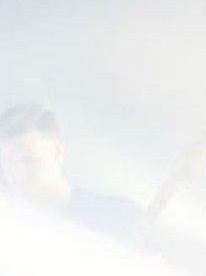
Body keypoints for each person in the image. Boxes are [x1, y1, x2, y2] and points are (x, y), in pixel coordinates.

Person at [0, 102, 148, 248]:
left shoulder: (120, 218)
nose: (16, 175)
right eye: (7, 163)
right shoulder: (7, 230)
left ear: (58, 153)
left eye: (29, 161)